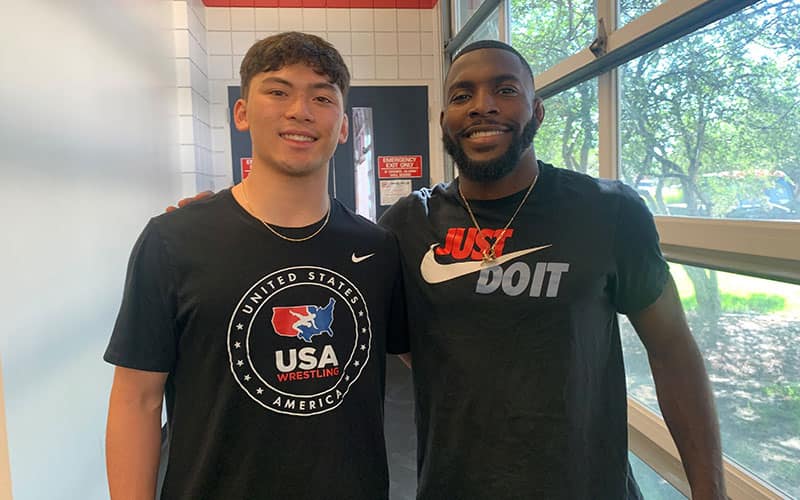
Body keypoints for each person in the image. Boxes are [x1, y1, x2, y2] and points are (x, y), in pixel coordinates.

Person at [378, 40, 726, 499]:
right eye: (462, 96)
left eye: (504, 90)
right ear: (444, 120)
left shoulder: (609, 211)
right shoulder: (408, 224)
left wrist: (711, 492)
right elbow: (413, 349)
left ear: (537, 111)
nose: (482, 106)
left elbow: (672, 351)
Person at [104, 32, 407, 500]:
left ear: (343, 126)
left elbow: (438, 359)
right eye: (278, 90)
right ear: (242, 112)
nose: (300, 110)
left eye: (322, 97)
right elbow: (137, 401)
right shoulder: (172, 241)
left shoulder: (379, 249)